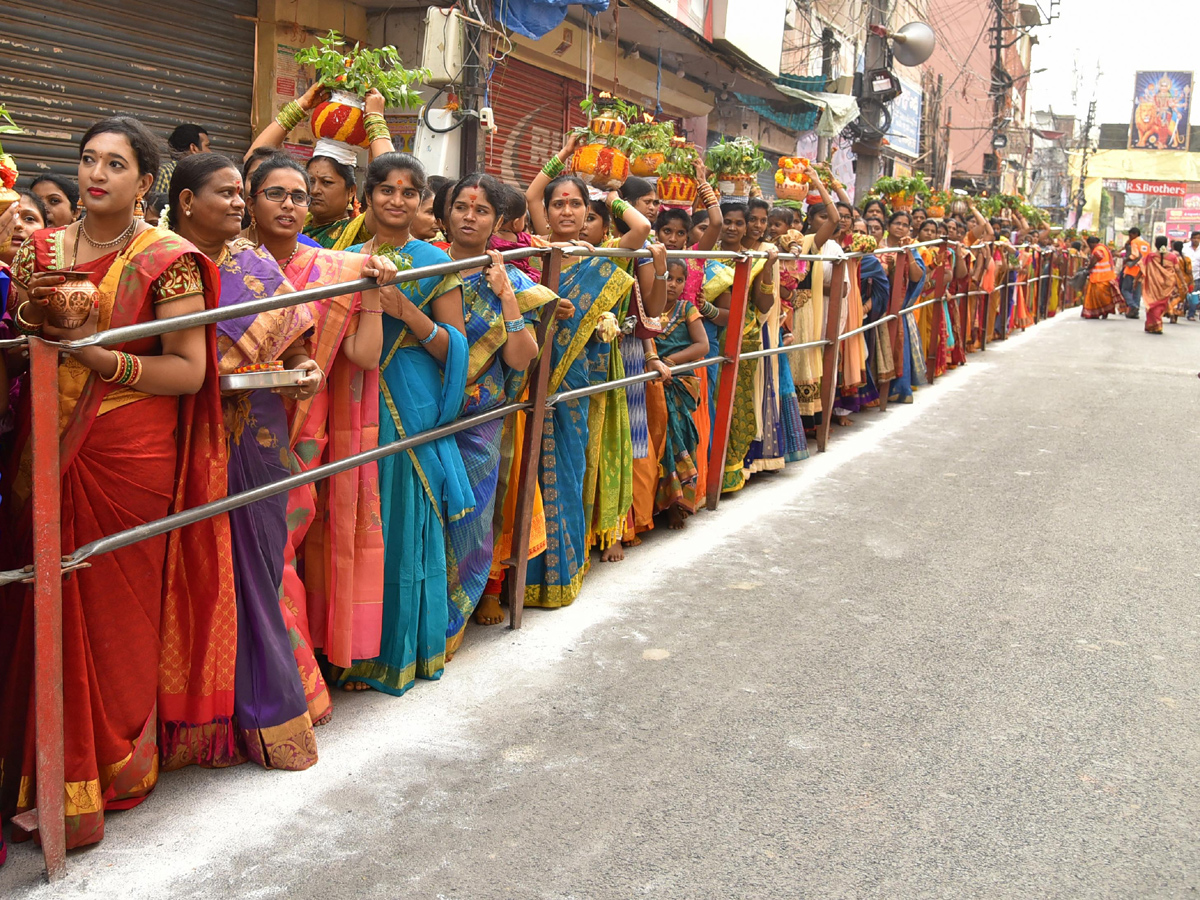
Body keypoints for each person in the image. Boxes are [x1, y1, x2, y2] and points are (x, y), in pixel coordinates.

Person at [0, 116, 234, 848]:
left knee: (106, 609)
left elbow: (190, 371)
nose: (95, 175)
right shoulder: (39, 249)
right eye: (87, 160)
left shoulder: (171, 260)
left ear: (145, 182)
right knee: (37, 600)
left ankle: (102, 769)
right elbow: (17, 348)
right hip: (44, 442)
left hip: (126, 452)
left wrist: (97, 358)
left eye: (114, 164)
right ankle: (39, 765)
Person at [168, 152, 326, 764]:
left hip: (254, 434)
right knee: (186, 575)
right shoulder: (158, 260)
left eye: (241, 193)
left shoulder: (254, 264)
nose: (239, 203)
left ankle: (269, 717)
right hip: (175, 427)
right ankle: (186, 730)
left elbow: (298, 350)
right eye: (228, 192)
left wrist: (302, 372)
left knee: (254, 575)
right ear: (185, 201)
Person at [247, 156, 391, 706]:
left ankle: (292, 676)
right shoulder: (227, 265)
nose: (288, 205)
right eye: (275, 194)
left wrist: (373, 291)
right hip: (242, 423)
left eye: (299, 196)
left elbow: (364, 353)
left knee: (281, 547)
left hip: (307, 429)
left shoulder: (338, 269)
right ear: (250, 201)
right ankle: (280, 673)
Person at [337, 152, 471, 695]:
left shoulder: (436, 263)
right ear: (365, 197)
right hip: (353, 404)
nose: (397, 200)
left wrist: (405, 312)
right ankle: (350, 650)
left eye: (409, 192)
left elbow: (453, 349)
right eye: (386, 190)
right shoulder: (340, 261)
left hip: (409, 410)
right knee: (351, 528)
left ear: (422, 202)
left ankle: (401, 651)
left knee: (401, 528)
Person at [440, 173, 553, 648]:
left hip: (478, 419)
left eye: (482, 210)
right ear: (446, 212)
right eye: (462, 207)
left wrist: (506, 293)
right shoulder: (421, 265)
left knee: (470, 516)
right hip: (422, 409)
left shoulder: (516, 282)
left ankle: (454, 617)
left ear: (497, 220)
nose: (470, 217)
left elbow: (520, 356)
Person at [521, 154, 635, 607]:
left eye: (577, 206)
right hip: (529, 379)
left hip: (571, 385)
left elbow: (640, 230)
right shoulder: (530, 251)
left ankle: (562, 574)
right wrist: (564, 155)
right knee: (523, 477)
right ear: (546, 211)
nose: (567, 212)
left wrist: (608, 191)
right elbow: (530, 192)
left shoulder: (598, 259)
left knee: (567, 467)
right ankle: (523, 574)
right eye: (559, 204)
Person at [245, 83, 395, 250]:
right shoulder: (293, 218)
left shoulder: (359, 230)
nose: (315, 190)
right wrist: (301, 105)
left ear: (351, 191)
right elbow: (253, 165)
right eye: (310, 181)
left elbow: (393, 182)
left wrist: (375, 119)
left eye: (327, 182)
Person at [644, 257, 709, 528]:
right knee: (656, 441)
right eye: (668, 278)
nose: (672, 284)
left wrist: (672, 361)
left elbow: (702, 346)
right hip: (652, 381)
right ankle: (653, 504)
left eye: (679, 280)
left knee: (678, 436)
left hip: (678, 382)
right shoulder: (647, 308)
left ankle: (676, 503)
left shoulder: (686, 309)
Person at [881, 210, 927, 403]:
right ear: (889, 225)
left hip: (898, 306)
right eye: (896, 223)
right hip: (879, 304)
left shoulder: (911, 248)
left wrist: (907, 254)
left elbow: (917, 277)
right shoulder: (878, 245)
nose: (900, 227)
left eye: (904, 225)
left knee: (899, 345)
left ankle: (898, 388)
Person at [151, 123, 211, 194]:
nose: (210, 152)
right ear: (193, 148)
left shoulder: (201, 177)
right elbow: (157, 203)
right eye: (207, 146)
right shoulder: (166, 172)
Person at [1141, 236, 1182, 334]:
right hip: (1167, 285)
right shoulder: (1172, 257)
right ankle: (1152, 324)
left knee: (1152, 304)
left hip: (1153, 284)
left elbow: (1142, 266)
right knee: (1161, 304)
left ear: (1155, 244)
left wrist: (1136, 281)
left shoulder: (1151, 256)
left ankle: (1156, 325)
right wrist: (1183, 283)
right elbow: (1178, 271)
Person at [1082, 236, 1120, 320]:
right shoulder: (1104, 248)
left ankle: (1098, 312)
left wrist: (1088, 268)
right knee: (1103, 297)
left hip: (1099, 278)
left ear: (1092, 244)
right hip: (1105, 277)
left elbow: (1096, 259)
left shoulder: (1098, 249)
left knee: (1099, 297)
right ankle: (1103, 312)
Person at [1119, 226, 1150, 319]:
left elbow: (1134, 255)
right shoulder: (1146, 244)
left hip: (1132, 269)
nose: (1130, 237)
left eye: (1130, 235)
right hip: (1142, 270)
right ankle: (1135, 313)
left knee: (1125, 289)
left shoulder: (1135, 242)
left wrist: (1126, 259)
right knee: (1137, 291)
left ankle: (1133, 306)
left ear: (1135, 234)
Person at [1183, 231, 1200, 320]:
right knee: (1184, 294)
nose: (1196, 240)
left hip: (1196, 276)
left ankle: (1191, 314)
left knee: (1194, 294)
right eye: (1194, 238)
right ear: (1191, 238)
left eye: (1198, 238)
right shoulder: (1185, 248)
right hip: (1184, 276)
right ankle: (1184, 307)